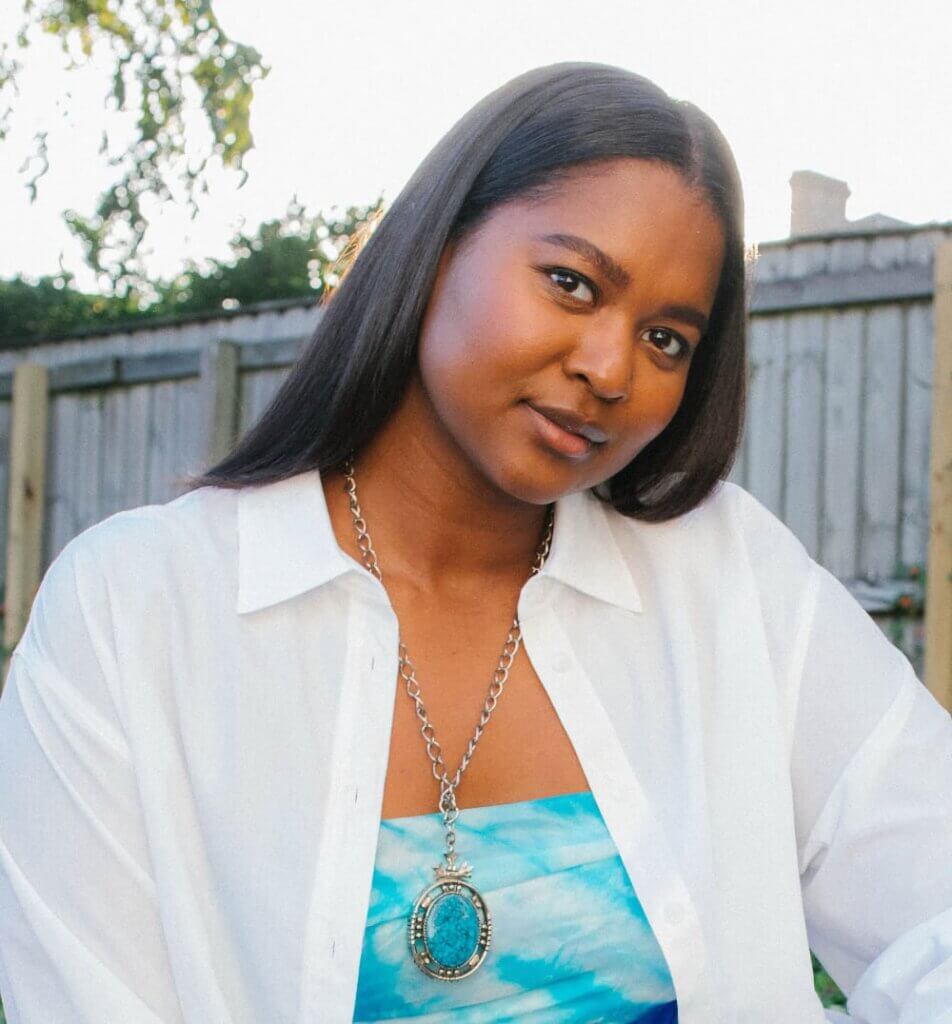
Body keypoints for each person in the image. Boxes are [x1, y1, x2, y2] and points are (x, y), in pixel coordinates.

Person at [0, 60, 950, 1024]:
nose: (611, 367)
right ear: (435, 249)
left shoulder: (732, 581)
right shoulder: (132, 612)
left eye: (667, 339)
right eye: (573, 283)